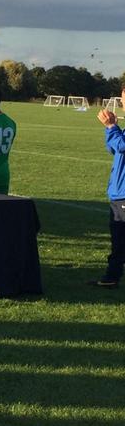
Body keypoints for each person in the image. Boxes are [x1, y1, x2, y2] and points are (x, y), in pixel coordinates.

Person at [94, 90, 125, 288]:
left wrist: (112, 126)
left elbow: (121, 145)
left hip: (124, 193)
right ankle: (111, 277)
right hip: (119, 190)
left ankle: (111, 277)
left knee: (121, 238)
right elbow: (113, 148)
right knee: (118, 238)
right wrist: (112, 129)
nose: (122, 103)